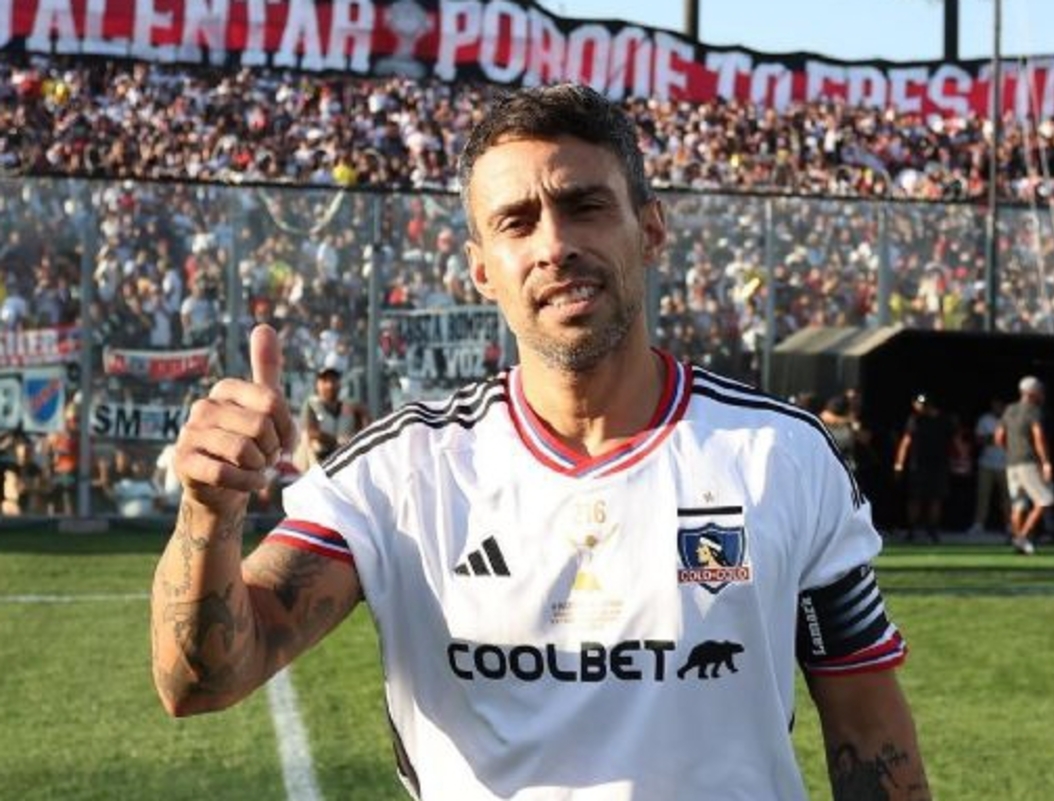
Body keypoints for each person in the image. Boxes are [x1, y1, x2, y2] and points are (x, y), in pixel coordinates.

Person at [151, 84, 929, 800]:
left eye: (584, 206)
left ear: (650, 229)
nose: (554, 243)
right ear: (481, 269)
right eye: (516, 222)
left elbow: (869, 731)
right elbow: (201, 680)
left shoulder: (780, 455)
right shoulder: (398, 476)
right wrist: (207, 510)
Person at [995, 376, 1054, 555]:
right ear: (1032, 393)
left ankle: (1018, 541)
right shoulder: (1033, 410)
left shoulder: (1009, 409)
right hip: (1028, 461)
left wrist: (1010, 451)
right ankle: (1022, 536)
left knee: (1018, 505)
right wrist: (1046, 463)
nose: (1042, 395)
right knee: (1045, 500)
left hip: (1011, 463)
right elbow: (1038, 438)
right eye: (1039, 392)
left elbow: (998, 437)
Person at [893, 393, 952, 543]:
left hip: (938, 464)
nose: (919, 407)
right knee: (915, 498)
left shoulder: (944, 419)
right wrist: (899, 464)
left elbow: (953, 441)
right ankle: (912, 530)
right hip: (918, 464)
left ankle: (932, 530)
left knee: (935, 499)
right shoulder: (915, 420)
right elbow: (906, 442)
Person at [299, 361, 369, 465]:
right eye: (325, 380)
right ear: (318, 384)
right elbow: (311, 432)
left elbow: (364, 429)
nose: (330, 385)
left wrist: (363, 414)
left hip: (344, 459)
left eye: (333, 380)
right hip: (319, 461)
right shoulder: (312, 404)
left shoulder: (350, 406)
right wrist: (336, 441)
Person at [968, 398, 1009, 537]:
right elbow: (979, 440)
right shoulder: (984, 419)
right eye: (994, 405)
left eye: (999, 405)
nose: (996, 408)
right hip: (986, 464)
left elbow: (1012, 439)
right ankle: (979, 524)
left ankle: (1010, 525)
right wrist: (995, 438)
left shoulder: (1010, 418)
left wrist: (993, 438)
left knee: (1007, 497)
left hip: (1007, 465)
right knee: (983, 495)